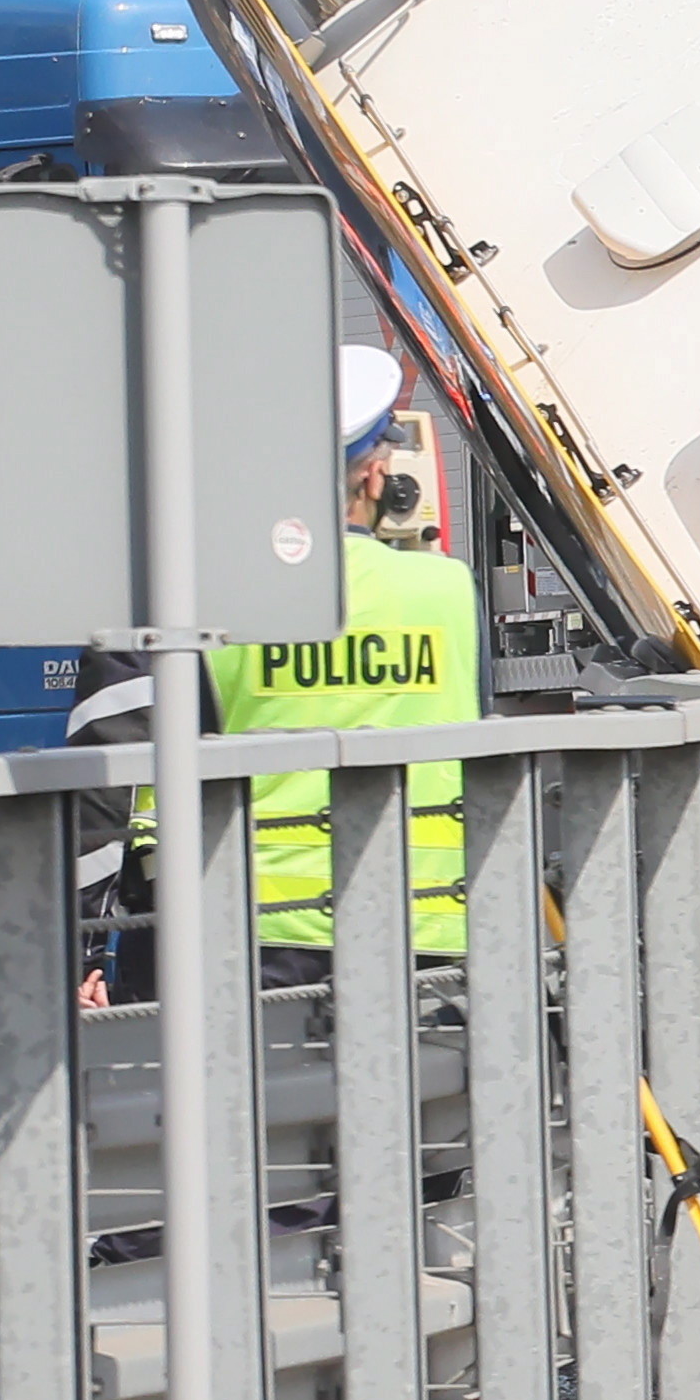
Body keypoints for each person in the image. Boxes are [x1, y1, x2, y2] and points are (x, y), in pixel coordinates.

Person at [208, 349, 483, 962]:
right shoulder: (446, 589)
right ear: (375, 475)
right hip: (428, 922)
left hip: (265, 928)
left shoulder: (218, 602)